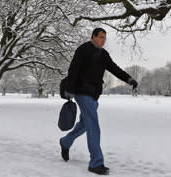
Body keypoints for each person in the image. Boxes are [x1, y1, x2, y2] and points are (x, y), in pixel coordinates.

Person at [59, 28, 138, 175]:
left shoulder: (103, 54)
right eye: (101, 37)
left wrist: (129, 79)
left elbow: (114, 68)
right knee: (94, 126)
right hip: (82, 92)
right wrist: (70, 89)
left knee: (85, 124)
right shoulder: (83, 50)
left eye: (104, 38)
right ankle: (96, 163)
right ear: (93, 37)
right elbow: (73, 69)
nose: (103, 40)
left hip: (94, 95)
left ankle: (65, 142)